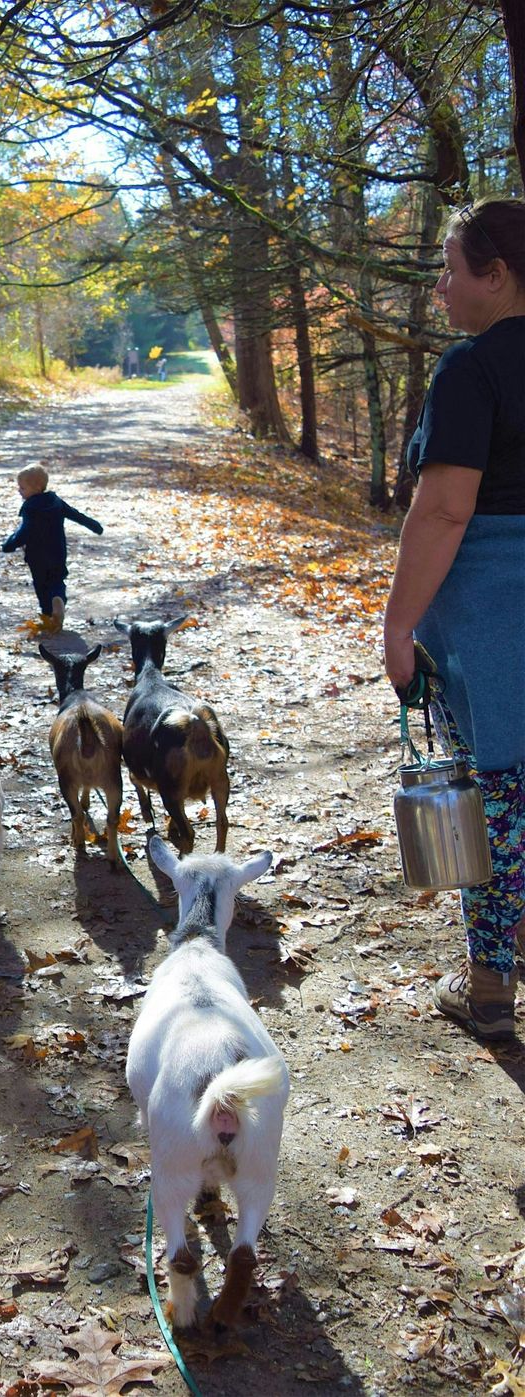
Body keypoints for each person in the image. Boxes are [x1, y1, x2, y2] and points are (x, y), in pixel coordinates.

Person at [383, 197, 525, 1040]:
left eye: (450, 271)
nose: (440, 289)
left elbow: (442, 512)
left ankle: (488, 990)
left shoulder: (472, 370)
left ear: (497, 276)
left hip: (495, 627)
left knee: (496, 803)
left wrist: (399, 627)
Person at [1, 465, 104, 628]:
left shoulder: (30, 508)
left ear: (36, 488)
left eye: (22, 487)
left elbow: (24, 531)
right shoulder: (56, 501)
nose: (19, 491)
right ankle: (59, 600)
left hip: (37, 556)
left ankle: (49, 616)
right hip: (57, 552)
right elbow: (76, 515)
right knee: (57, 580)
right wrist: (95, 526)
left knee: (41, 585)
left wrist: (9, 544)